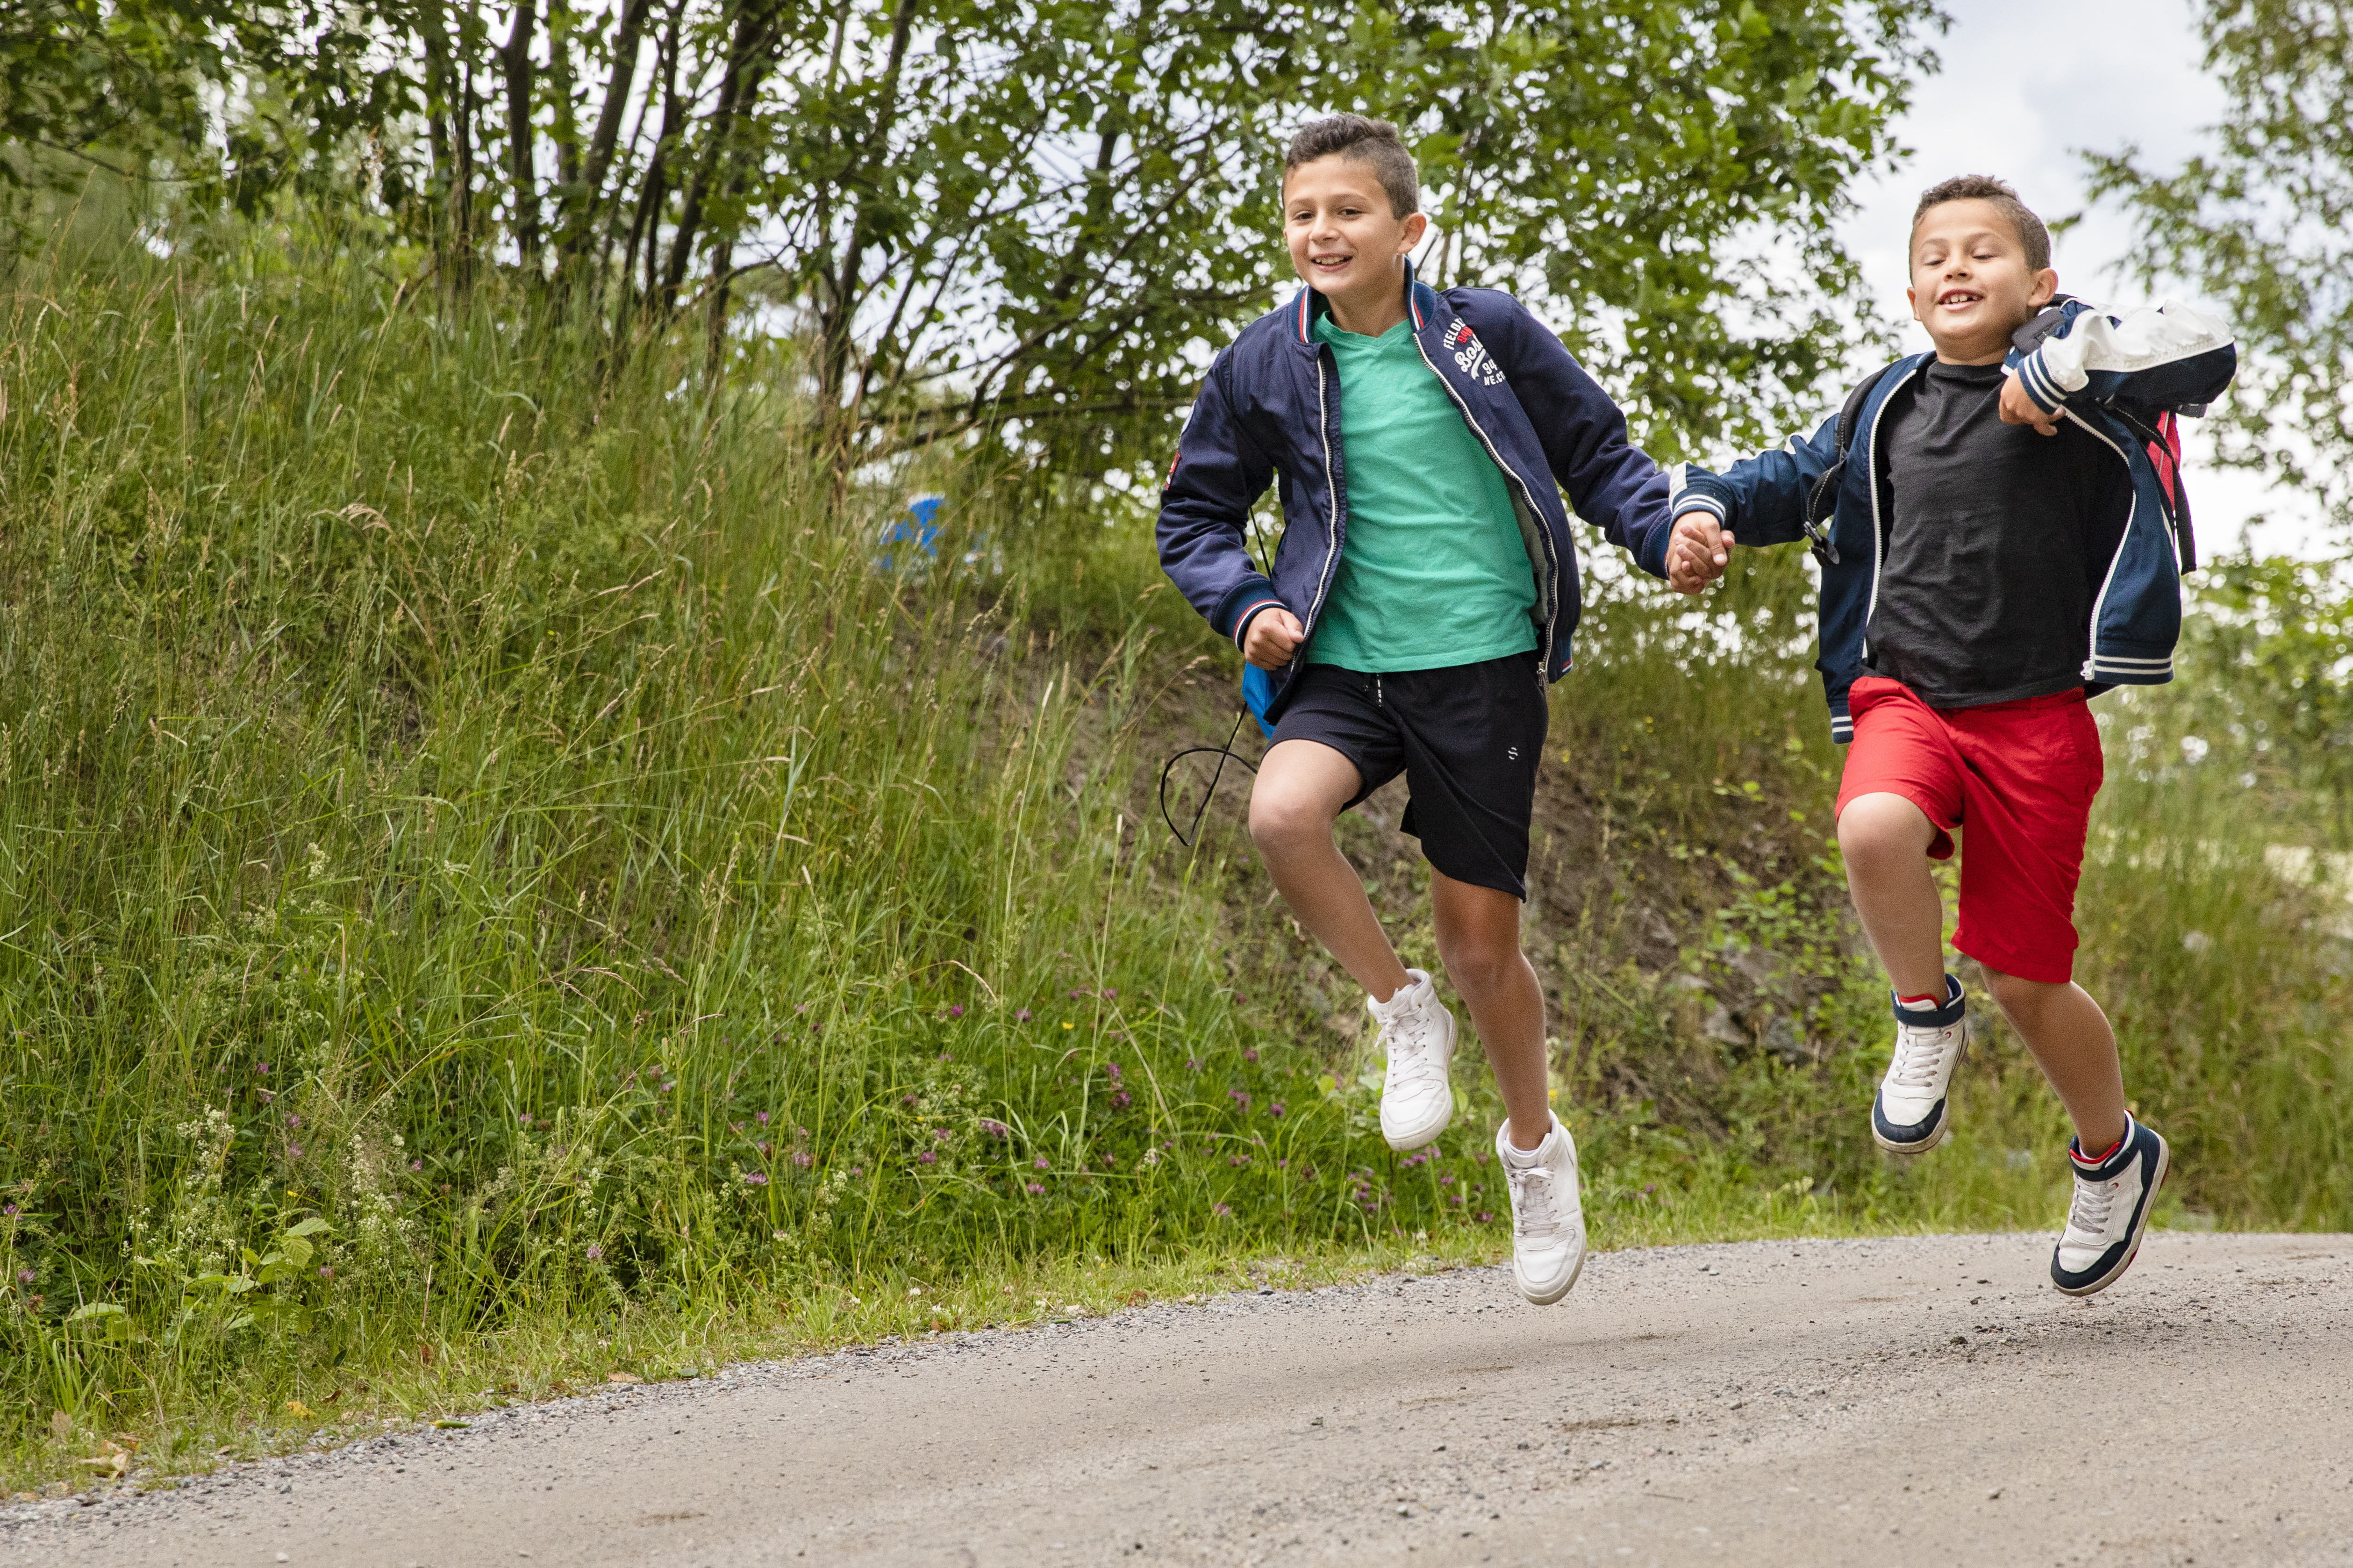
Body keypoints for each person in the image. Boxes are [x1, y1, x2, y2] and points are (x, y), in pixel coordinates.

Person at [1665, 175, 2236, 1296]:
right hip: (1906, 694)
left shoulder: (2098, 379)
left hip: (2036, 714)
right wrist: (1703, 509)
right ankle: (1923, 1012)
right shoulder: (1886, 402)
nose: (1957, 269)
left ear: (2039, 283)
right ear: (1912, 287)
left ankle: (2112, 1152)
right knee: (1873, 827)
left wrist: (2060, 366)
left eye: (1984, 252)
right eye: (1935, 255)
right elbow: (1786, 478)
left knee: (2029, 978)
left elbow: (2207, 350)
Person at [1156, 114, 1682, 1304]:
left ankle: (1534, 1152)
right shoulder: (1261, 364)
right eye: (1302, 214)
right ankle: (1401, 1013)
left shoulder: (1483, 332)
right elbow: (1191, 518)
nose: (1322, 232)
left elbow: (1597, 456)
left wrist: (1663, 533)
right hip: (1342, 663)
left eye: (1347, 211)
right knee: (1281, 815)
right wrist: (1246, 606)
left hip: (1480, 668)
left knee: (1483, 952)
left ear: (1408, 227)